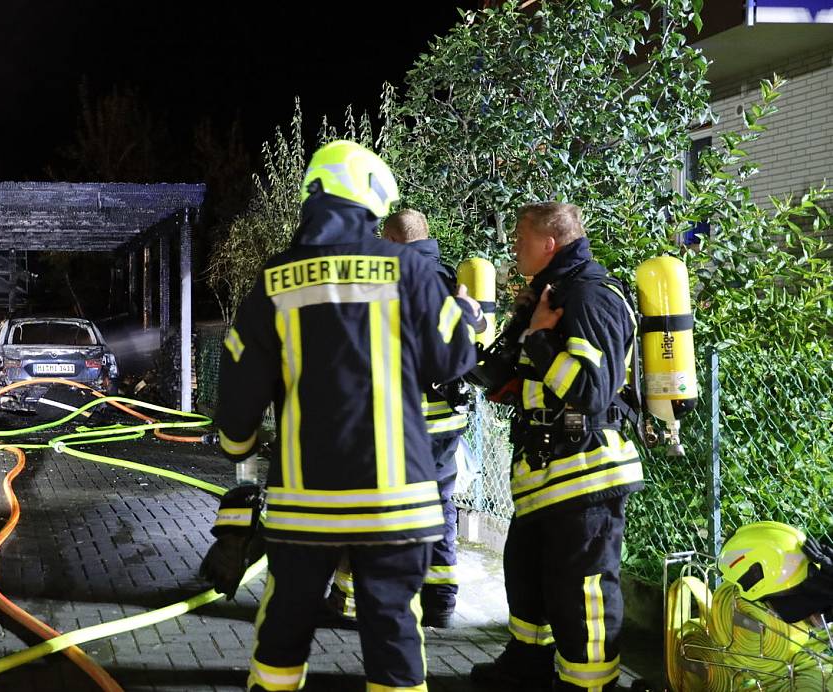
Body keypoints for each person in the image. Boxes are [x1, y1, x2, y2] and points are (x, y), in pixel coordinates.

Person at [214, 140, 483, 692]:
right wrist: (466, 313)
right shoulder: (408, 269)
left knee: (281, 639)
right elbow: (455, 359)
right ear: (369, 198)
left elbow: (239, 394)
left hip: (304, 509)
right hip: (397, 506)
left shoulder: (272, 282)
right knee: (395, 642)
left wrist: (238, 448)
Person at [469, 202, 642, 691]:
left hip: (584, 473)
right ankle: (528, 666)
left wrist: (542, 339)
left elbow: (592, 390)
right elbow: (509, 376)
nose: (513, 247)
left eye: (520, 238)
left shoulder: (591, 297)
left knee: (580, 593)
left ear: (549, 243)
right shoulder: (548, 294)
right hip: (545, 475)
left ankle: (588, 683)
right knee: (527, 579)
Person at [326, 209, 471, 630]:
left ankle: (349, 600)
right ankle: (440, 600)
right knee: (440, 507)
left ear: (391, 240)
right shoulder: (447, 280)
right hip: (445, 423)